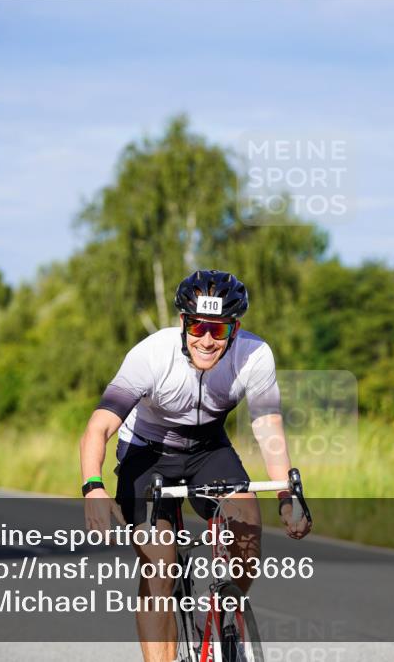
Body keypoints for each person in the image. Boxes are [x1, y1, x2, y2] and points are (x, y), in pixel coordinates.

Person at [79, 269, 311, 662]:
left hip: (208, 448)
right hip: (147, 453)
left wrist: (287, 497)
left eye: (218, 330)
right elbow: (98, 427)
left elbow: (268, 427)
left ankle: (219, 618)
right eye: (198, 327)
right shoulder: (151, 355)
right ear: (184, 322)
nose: (206, 339)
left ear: (234, 330)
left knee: (247, 532)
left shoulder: (255, 356)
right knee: (160, 568)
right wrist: (93, 488)